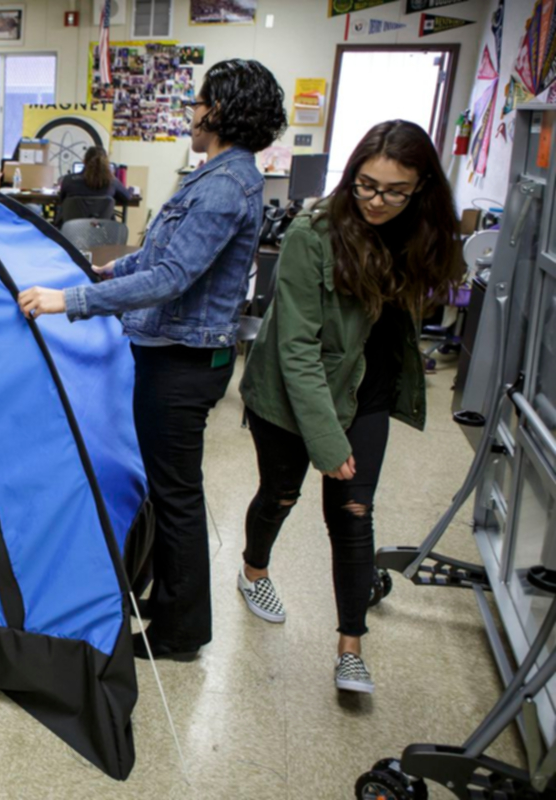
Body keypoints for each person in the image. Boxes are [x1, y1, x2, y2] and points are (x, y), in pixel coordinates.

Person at [17, 59, 287, 661]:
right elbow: (160, 254)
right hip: (174, 354)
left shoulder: (222, 184)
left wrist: (73, 299)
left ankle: (179, 632)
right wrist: (110, 269)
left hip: (182, 363)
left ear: (219, 110)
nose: (190, 110)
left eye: (198, 101)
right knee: (169, 489)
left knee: (175, 494)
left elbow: (172, 276)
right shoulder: (218, 175)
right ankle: (165, 604)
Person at [237, 120, 461, 694]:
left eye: (394, 190)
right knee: (280, 495)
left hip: (369, 389)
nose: (376, 200)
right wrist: (326, 440)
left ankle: (351, 647)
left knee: (354, 513)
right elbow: (296, 348)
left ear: (420, 188)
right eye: (365, 185)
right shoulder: (313, 234)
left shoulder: (419, 229)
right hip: (291, 396)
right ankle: (254, 571)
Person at [53, 146, 131, 226]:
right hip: (101, 232)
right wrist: (131, 190)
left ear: (84, 161)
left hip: (71, 232)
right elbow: (127, 198)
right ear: (106, 163)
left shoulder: (69, 180)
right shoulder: (112, 182)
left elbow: (62, 199)